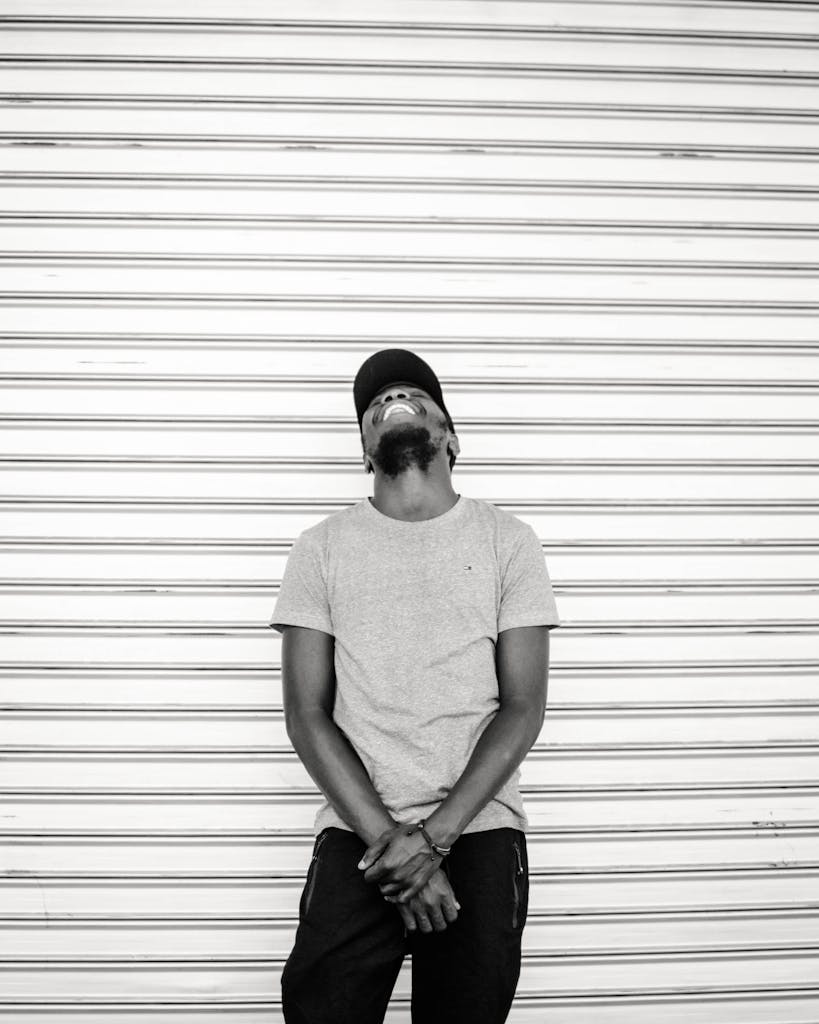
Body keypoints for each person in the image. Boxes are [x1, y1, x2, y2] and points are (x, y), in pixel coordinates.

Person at [269, 348, 561, 1023]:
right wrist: (392, 848)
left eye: (412, 394)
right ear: (363, 451)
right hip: (357, 833)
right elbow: (306, 714)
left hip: (480, 828)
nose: (388, 401)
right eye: (372, 404)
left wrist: (432, 840)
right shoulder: (320, 547)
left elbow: (522, 706)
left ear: (451, 438)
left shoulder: (508, 541)